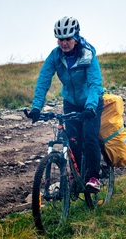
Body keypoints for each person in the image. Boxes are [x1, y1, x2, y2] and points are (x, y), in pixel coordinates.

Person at [28, 16, 104, 192]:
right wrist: (36, 107)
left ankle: (93, 177)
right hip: (70, 102)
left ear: (76, 37)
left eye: (68, 38)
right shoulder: (55, 55)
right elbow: (43, 80)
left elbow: (94, 83)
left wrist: (91, 107)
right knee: (72, 139)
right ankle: (75, 175)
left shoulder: (87, 53)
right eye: (60, 39)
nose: (64, 43)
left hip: (91, 102)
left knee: (89, 137)